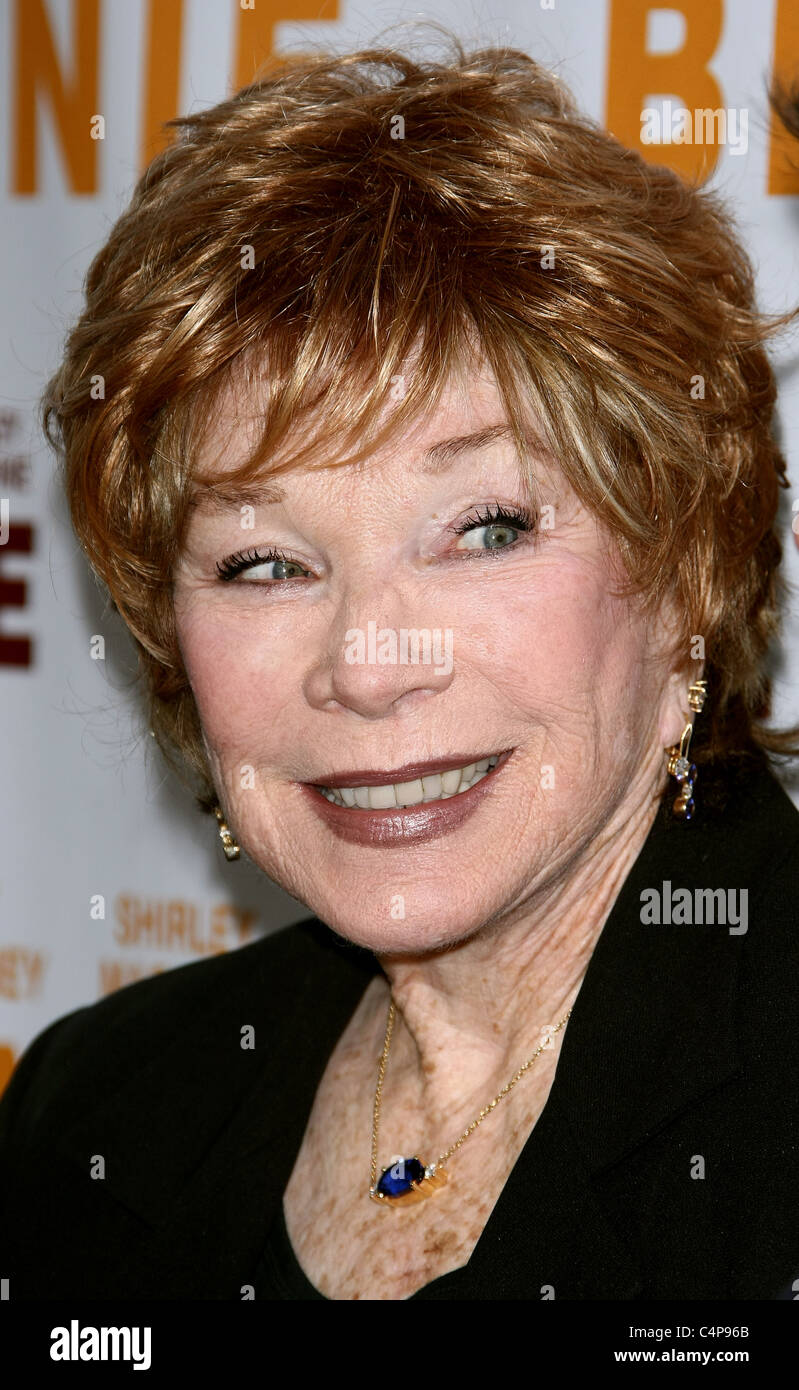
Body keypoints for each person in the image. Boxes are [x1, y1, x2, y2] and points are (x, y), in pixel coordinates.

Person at [1, 32, 798, 1302]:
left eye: (486, 529)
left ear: (686, 566)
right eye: (264, 562)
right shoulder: (96, 1111)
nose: (367, 669)